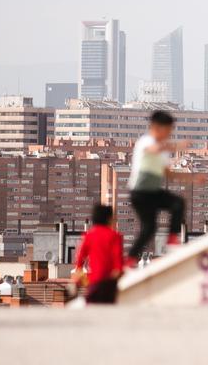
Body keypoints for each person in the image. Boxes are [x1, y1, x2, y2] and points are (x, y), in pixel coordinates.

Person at [126, 110, 186, 267]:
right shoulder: (146, 141)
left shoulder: (162, 151)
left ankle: (170, 239)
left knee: (153, 226)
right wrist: (176, 146)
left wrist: (194, 178)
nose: (169, 133)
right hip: (139, 193)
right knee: (150, 227)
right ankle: (130, 258)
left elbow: (170, 174)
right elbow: (151, 150)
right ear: (157, 127)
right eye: (168, 130)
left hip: (152, 193)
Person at [73, 203, 124, 304]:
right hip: (109, 281)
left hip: (94, 281)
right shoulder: (115, 236)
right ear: (109, 219)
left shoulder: (89, 235)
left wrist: (79, 271)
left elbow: (80, 256)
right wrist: (118, 272)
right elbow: (118, 261)